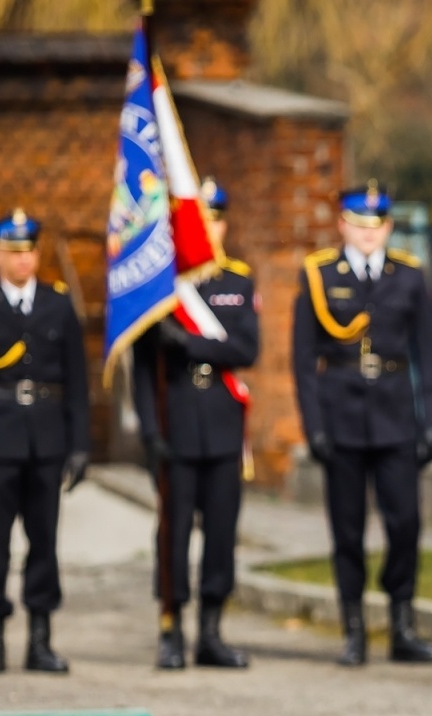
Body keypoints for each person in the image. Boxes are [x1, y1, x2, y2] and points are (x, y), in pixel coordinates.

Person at [292, 180, 432, 666]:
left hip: (396, 416)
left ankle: (402, 626)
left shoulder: (410, 275)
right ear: (342, 225)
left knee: (406, 524)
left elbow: (428, 355)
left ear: (389, 227)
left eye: (377, 224)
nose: (368, 232)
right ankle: (353, 630)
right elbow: (302, 359)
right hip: (341, 417)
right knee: (347, 529)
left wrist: (431, 422)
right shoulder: (319, 275)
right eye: (359, 224)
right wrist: (313, 426)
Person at [0, 209, 90, 673]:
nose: (24, 260)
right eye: (14, 252)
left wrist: (79, 446)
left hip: (47, 440)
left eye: (30, 251)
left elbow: (78, 381)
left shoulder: (58, 304)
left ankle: (40, 641)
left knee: (44, 542)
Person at [132, 177, 257, 670]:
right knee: (173, 532)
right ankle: (171, 628)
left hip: (222, 425)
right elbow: (143, 372)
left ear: (223, 227)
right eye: (197, 223)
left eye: (214, 221)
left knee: (221, 532)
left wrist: (188, 344)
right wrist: (149, 432)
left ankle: (211, 631)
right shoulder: (161, 291)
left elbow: (246, 349)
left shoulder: (238, 282)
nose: (208, 230)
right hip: (175, 425)